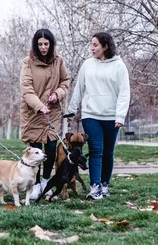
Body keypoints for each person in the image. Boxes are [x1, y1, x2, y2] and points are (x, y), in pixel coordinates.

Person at [67, 32, 130, 200]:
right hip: (90, 114)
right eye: (92, 44)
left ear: (105, 46)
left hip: (111, 117)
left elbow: (124, 93)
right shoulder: (87, 64)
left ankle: (104, 184)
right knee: (96, 150)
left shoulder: (119, 66)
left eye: (95, 45)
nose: (92, 48)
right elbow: (79, 88)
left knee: (108, 152)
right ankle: (94, 187)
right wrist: (72, 110)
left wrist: (120, 116)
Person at [20, 28, 70, 200]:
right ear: (35, 44)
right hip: (34, 112)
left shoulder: (59, 61)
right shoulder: (28, 62)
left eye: (46, 44)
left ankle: (46, 183)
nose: (43, 47)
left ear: (51, 44)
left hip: (52, 112)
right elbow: (26, 89)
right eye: (40, 44)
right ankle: (34, 185)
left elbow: (65, 81)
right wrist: (39, 106)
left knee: (50, 150)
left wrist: (58, 94)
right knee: (36, 152)